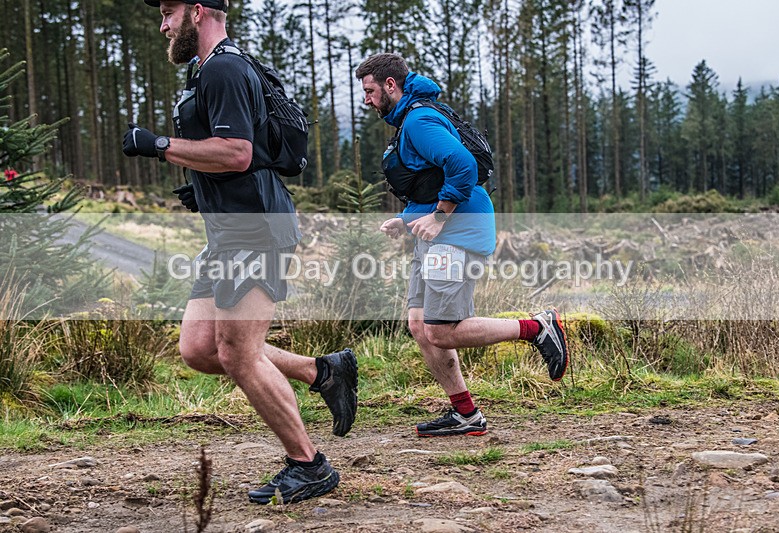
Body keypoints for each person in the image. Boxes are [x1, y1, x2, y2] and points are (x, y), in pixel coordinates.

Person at [122, 0, 357, 505]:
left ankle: (308, 464)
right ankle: (322, 371)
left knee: (238, 353)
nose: (163, 25)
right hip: (230, 229)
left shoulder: (224, 68)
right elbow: (233, 154)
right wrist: (201, 185)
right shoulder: (208, 69)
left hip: (255, 228)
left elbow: (237, 152)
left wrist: (158, 144)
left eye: (168, 13)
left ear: (197, 11)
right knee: (200, 348)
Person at [356, 53, 569, 437]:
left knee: (441, 330)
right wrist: (406, 219)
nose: (366, 100)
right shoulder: (409, 119)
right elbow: (430, 183)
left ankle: (537, 328)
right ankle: (466, 414)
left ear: (390, 85)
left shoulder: (419, 120)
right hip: (438, 235)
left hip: (456, 234)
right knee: (420, 324)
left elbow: (462, 165)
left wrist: (440, 216)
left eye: (370, 91)